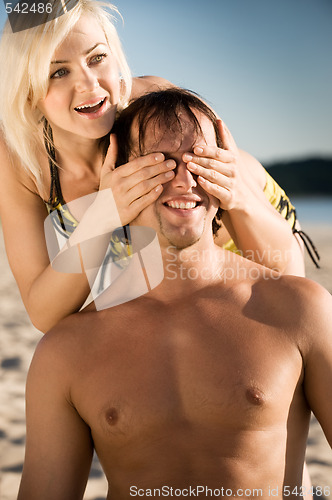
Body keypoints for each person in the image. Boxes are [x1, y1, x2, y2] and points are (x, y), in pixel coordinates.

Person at [18, 89, 332, 499]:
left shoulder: (301, 309)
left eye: (201, 162)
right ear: (117, 178)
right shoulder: (65, 352)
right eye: (160, 165)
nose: (184, 181)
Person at [0, 0, 307, 334]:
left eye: (97, 57)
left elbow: (288, 276)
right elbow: (44, 313)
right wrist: (105, 214)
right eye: (58, 72)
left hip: (244, 213)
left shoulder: (152, 102)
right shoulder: (19, 156)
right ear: (27, 90)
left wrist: (236, 195)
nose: (90, 85)